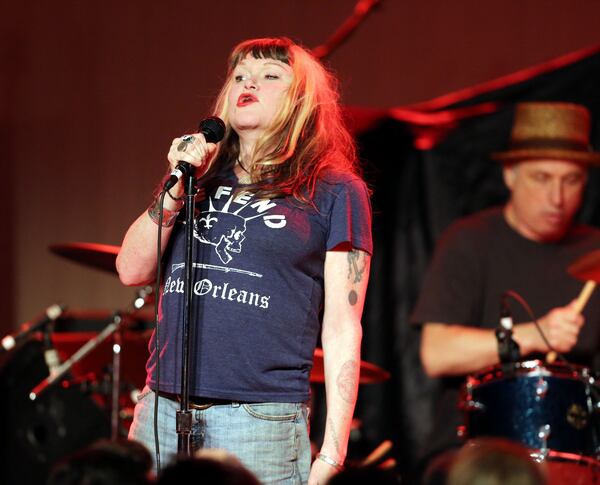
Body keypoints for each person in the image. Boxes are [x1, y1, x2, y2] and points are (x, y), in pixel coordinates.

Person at [116, 37, 372, 485]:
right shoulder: (197, 176)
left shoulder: (334, 190)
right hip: (162, 408)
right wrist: (177, 184)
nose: (248, 83)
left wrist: (332, 453)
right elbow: (131, 269)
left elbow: (342, 325)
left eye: (270, 76)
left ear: (301, 101)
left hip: (258, 420)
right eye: (239, 76)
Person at [410, 102, 600, 462]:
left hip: (577, 448)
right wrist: (534, 334)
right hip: (473, 450)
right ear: (510, 174)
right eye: (541, 178)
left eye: (570, 180)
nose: (557, 198)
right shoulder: (470, 241)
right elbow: (436, 354)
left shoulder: (596, 251)